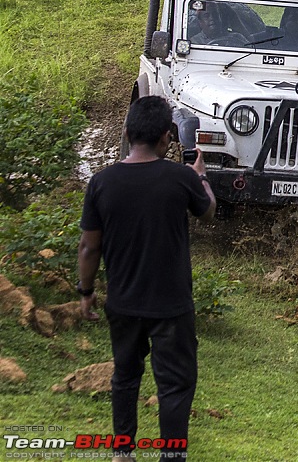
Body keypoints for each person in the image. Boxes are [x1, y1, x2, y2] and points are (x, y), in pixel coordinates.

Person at [77, 95, 216, 461]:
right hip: (171, 306)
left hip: (122, 303)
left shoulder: (101, 182)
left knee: (125, 376)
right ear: (166, 139)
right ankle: (172, 455)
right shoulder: (181, 178)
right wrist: (201, 178)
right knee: (175, 384)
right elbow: (208, 213)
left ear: (126, 132)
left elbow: (89, 248)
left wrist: (86, 291)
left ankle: (123, 452)